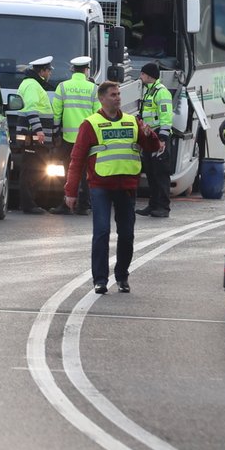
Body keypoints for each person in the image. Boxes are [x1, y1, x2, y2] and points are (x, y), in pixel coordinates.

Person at [63, 80, 163, 294]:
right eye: (113, 95)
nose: (118, 97)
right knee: (102, 232)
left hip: (127, 186)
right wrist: (70, 192)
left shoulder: (132, 121)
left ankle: (122, 276)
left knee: (126, 234)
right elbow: (77, 159)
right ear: (101, 99)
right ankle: (100, 280)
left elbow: (153, 147)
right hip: (100, 186)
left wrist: (149, 134)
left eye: (118, 94)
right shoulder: (90, 124)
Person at [52, 56, 96, 215]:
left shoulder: (62, 87)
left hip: (67, 139)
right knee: (86, 172)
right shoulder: (93, 88)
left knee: (68, 171)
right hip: (87, 139)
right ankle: (83, 206)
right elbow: (97, 114)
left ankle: (65, 204)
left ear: (72, 70)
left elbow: (56, 112)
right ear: (86, 70)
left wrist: (56, 130)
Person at [16, 55, 56, 214]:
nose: (50, 74)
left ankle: (30, 202)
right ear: (42, 71)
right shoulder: (32, 85)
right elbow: (31, 109)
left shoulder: (30, 83)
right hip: (32, 137)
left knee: (32, 169)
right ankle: (28, 204)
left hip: (32, 136)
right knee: (32, 170)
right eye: (49, 71)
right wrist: (39, 130)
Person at [136, 62, 174, 217]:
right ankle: (152, 205)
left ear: (149, 76)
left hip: (159, 136)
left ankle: (163, 207)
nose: (140, 76)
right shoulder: (149, 91)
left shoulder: (161, 92)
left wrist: (163, 139)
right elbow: (147, 112)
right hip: (149, 135)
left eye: (143, 74)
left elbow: (166, 117)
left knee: (161, 173)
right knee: (151, 173)